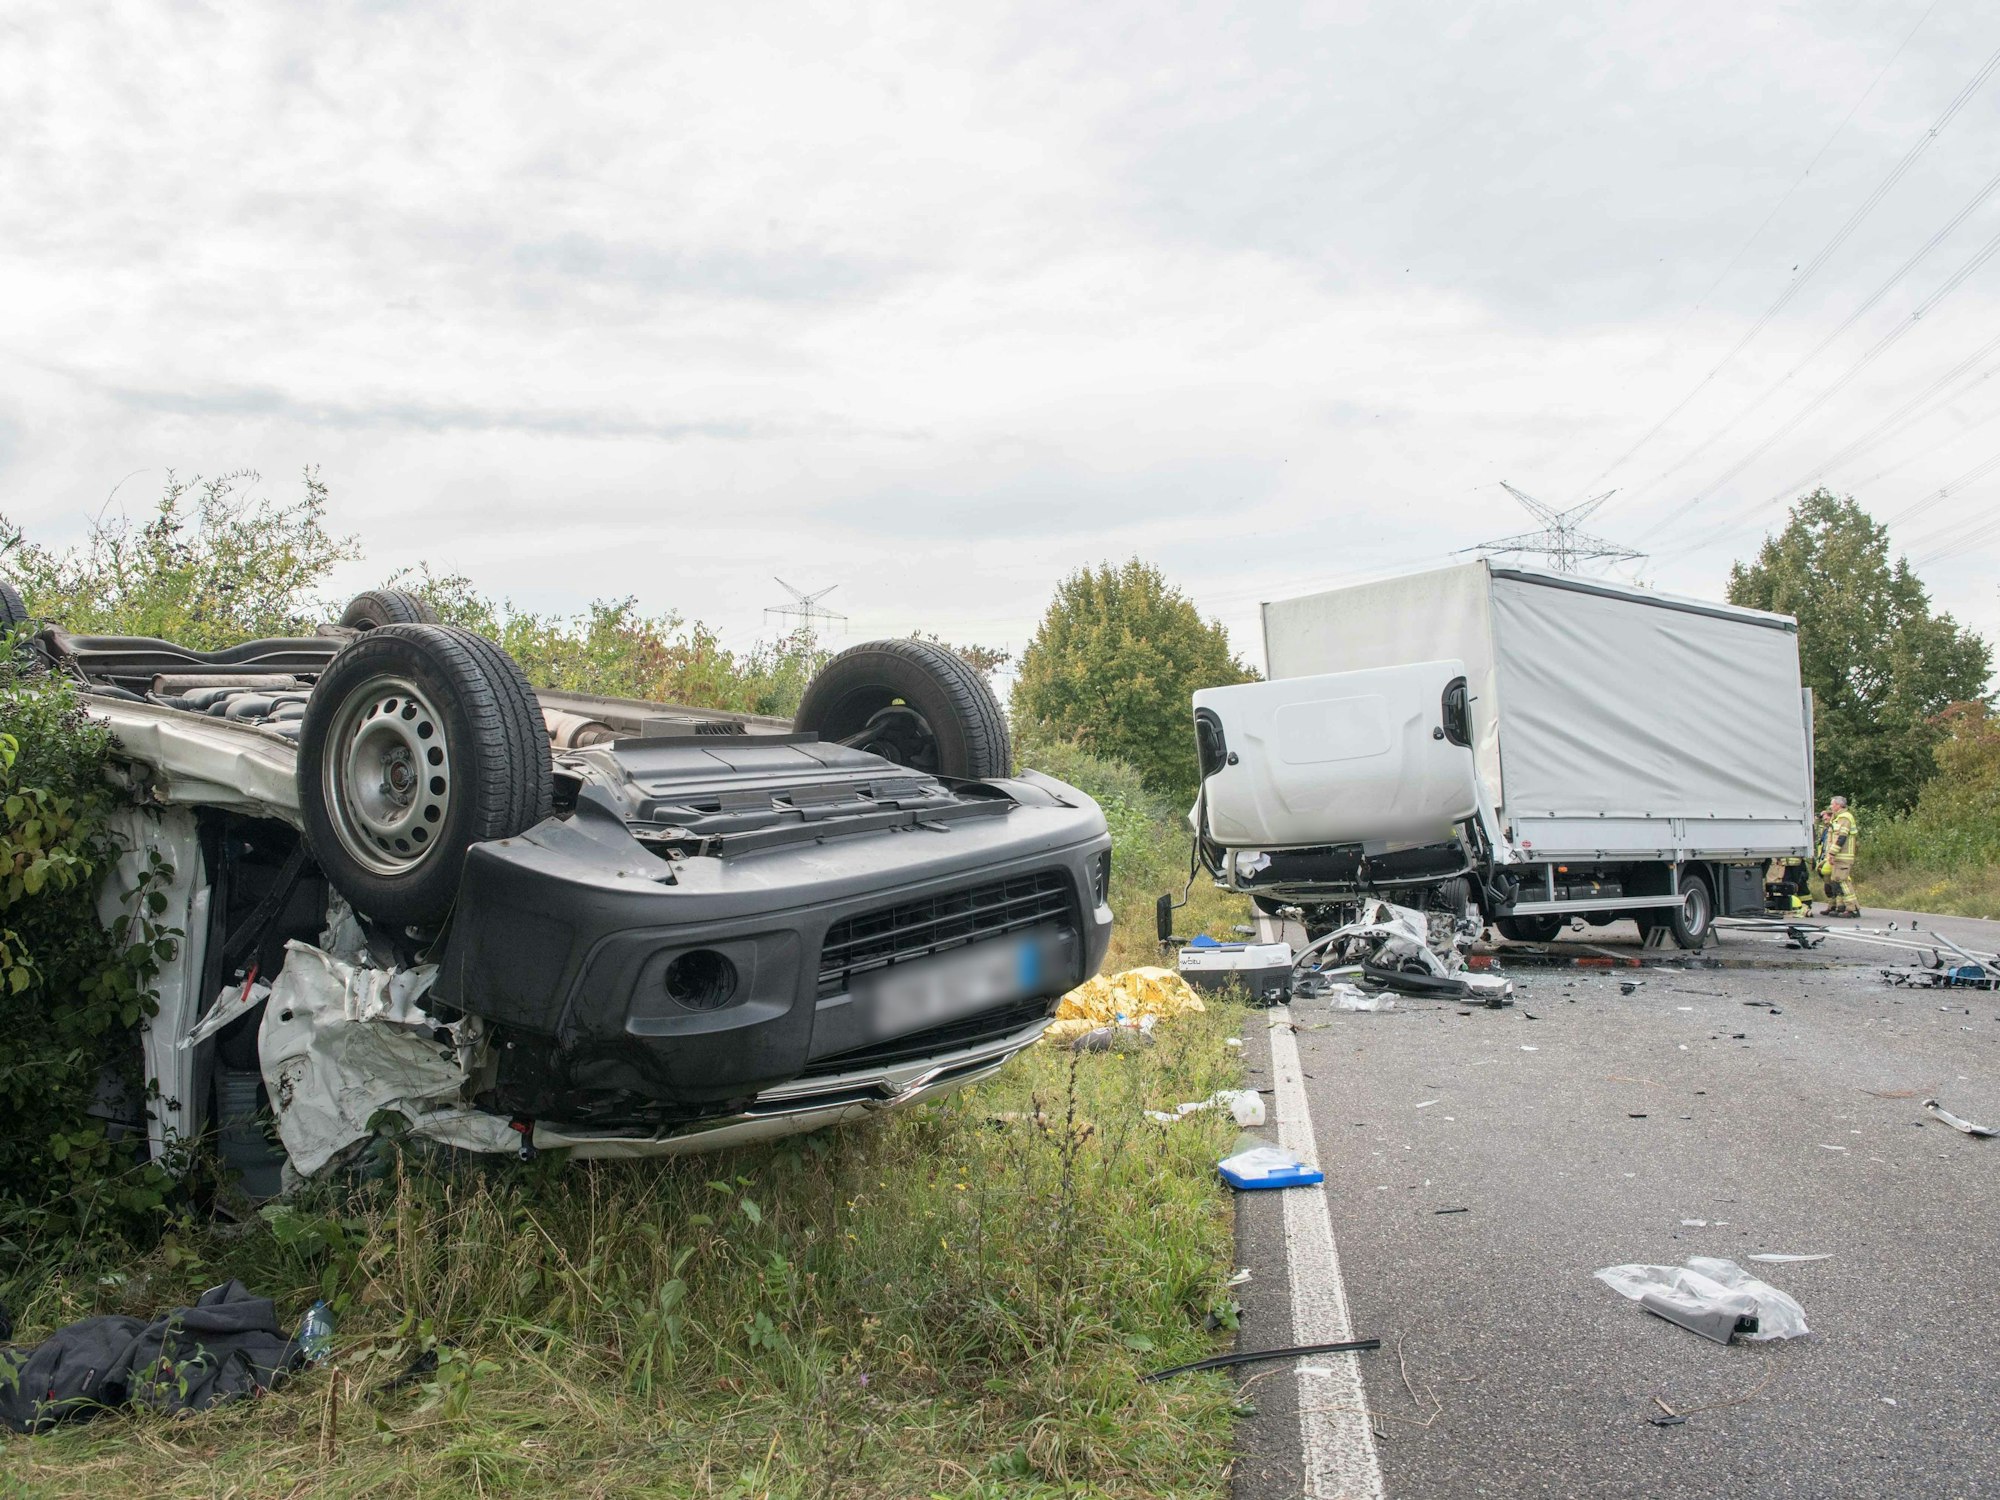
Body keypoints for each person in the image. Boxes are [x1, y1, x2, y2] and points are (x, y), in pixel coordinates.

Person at [1818, 795, 1859, 917]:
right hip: (1838, 856)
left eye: (1832, 804)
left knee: (1843, 882)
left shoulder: (1845, 818)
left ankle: (1852, 909)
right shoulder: (1838, 818)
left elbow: (1842, 837)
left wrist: (1832, 853)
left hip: (1843, 856)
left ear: (1838, 805)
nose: (1831, 806)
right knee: (1837, 880)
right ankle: (1845, 907)